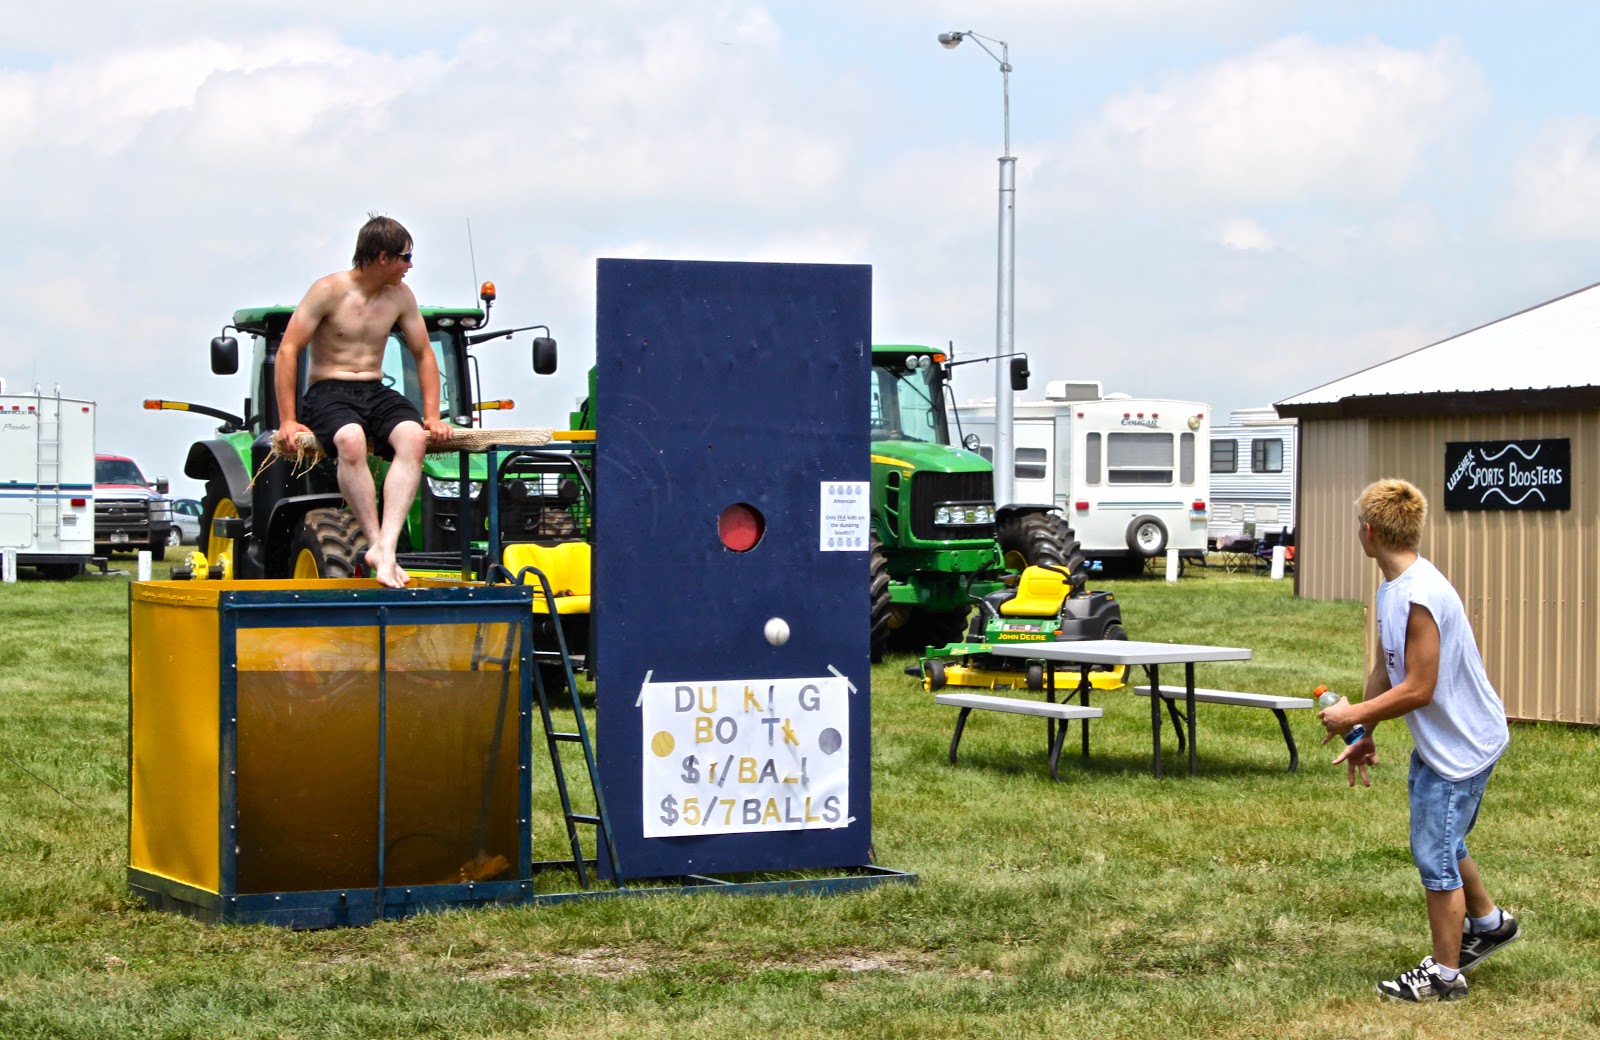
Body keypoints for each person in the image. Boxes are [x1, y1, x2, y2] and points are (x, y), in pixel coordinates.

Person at [1319, 478, 1517, 1002]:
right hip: (1445, 743)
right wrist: (1364, 732)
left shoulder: (1419, 594)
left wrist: (1349, 714)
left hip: (1462, 746)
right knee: (1444, 836)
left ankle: (1445, 976)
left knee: (1436, 853)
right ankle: (1490, 923)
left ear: (1367, 531)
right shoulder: (1394, 584)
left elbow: (1420, 688)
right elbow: (1386, 669)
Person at [274, 215, 453, 588]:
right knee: (351, 440)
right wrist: (288, 420)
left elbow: (423, 353)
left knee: (414, 438)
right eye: (406, 257)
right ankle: (377, 544)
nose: (411, 265)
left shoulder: (401, 297)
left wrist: (433, 415)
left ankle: (384, 548)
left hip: (374, 389)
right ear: (383, 257)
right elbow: (290, 349)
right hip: (328, 390)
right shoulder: (328, 290)